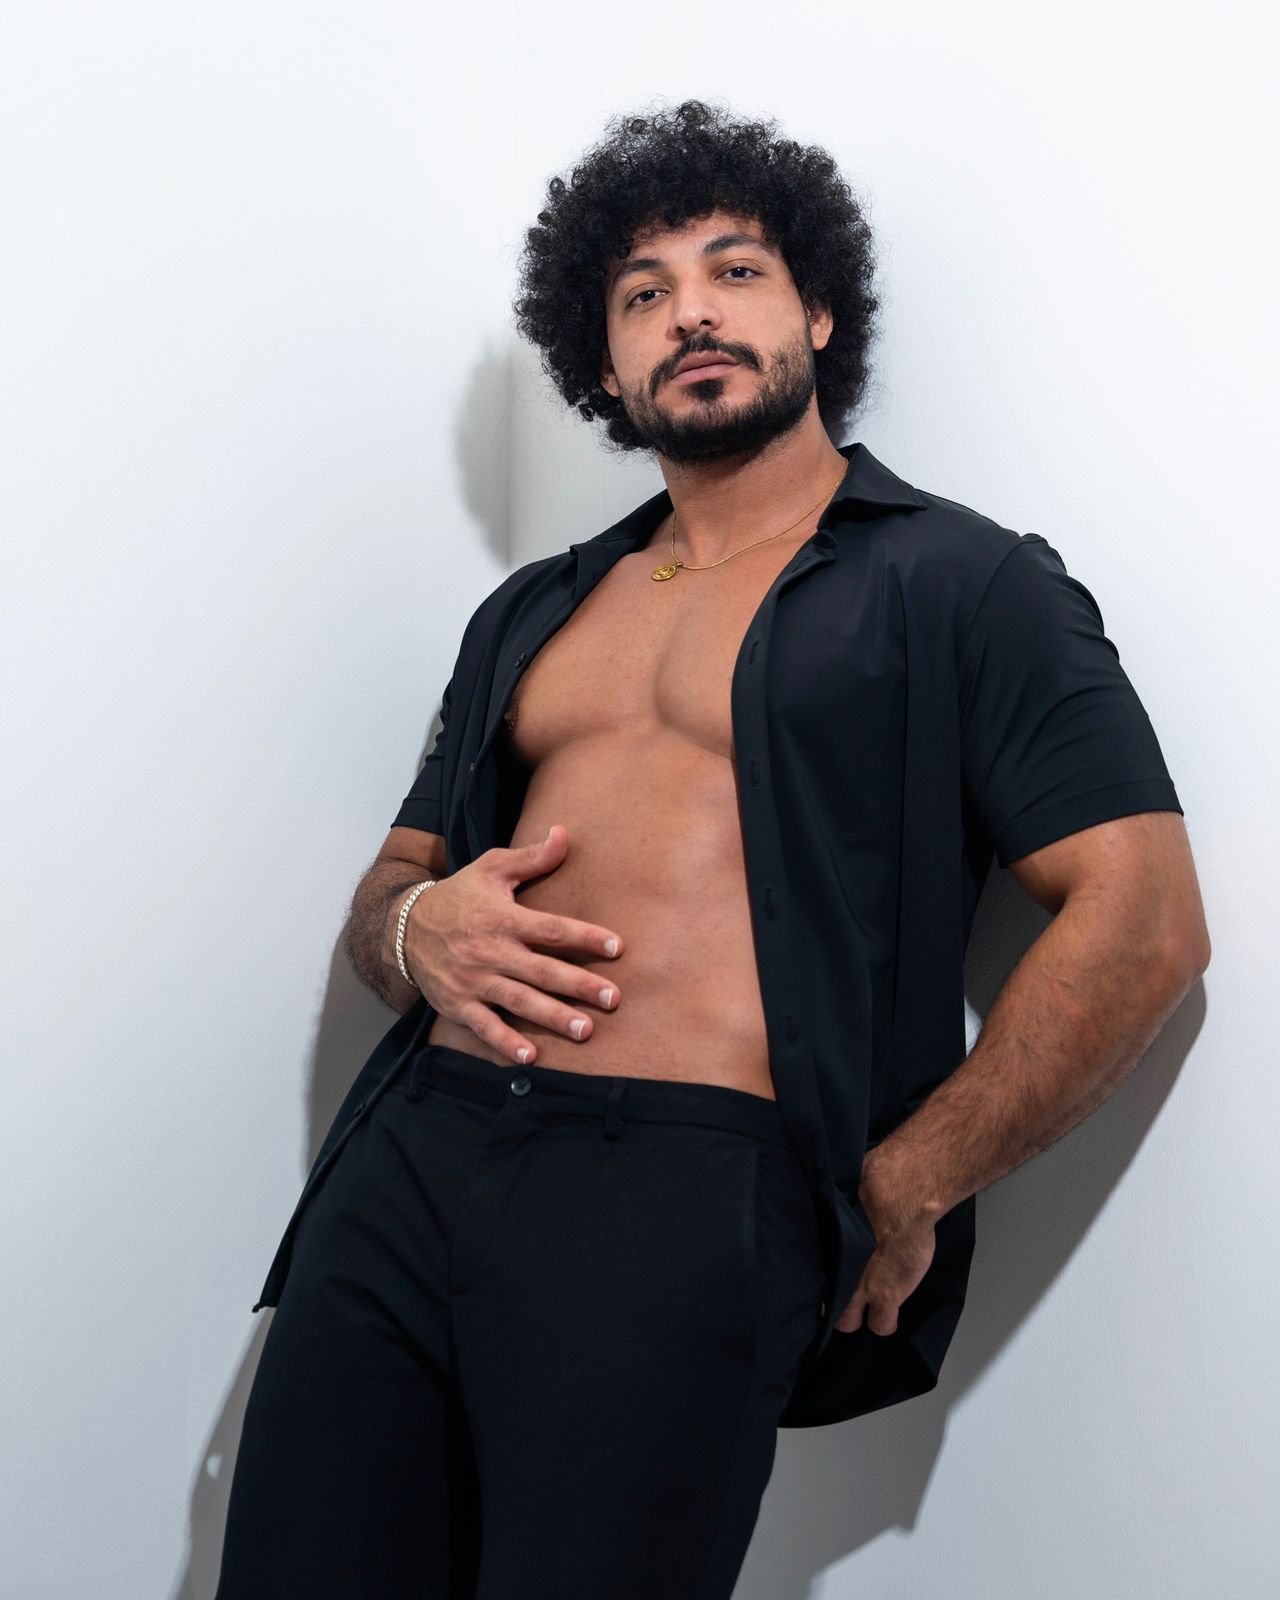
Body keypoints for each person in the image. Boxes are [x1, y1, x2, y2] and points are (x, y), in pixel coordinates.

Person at [214, 100, 1211, 1599]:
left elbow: (1144, 919)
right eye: (642, 294)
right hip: (413, 1158)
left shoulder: (966, 582)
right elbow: (392, 885)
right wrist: (417, 933)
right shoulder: (536, 609)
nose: (689, 311)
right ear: (607, 365)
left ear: (816, 311)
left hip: (686, 1189)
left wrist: (917, 1176)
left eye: (734, 271)